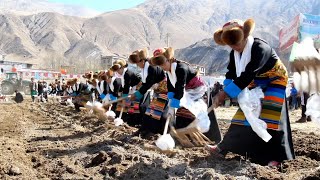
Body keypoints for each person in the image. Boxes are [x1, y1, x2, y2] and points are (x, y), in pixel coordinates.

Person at [208, 18, 295, 166]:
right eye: (231, 45)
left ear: (245, 35)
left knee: (271, 116)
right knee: (244, 114)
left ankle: (276, 158)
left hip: (275, 80)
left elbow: (248, 74)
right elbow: (231, 73)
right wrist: (224, 89)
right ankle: (223, 148)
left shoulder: (260, 48)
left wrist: (226, 93)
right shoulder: (234, 54)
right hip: (256, 81)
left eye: (236, 43)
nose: (235, 47)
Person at [151, 47, 210, 134]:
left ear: (169, 60)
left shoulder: (181, 68)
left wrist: (174, 103)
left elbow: (180, 87)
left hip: (196, 90)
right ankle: (181, 131)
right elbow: (171, 85)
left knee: (189, 112)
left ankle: (192, 132)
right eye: (160, 66)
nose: (162, 67)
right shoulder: (169, 70)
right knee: (181, 113)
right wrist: (171, 96)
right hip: (184, 90)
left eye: (163, 64)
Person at [128, 48, 167, 136]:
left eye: (137, 63)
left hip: (164, 90)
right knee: (150, 112)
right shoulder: (146, 67)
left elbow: (148, 83)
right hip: (158, 90)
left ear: (142, 61)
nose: (137, 65)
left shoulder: (151, 66)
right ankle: (144, 129)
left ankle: (152, 132)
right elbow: (146, 83)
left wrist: (138, 93)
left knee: (154, 113)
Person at [110, 59, 142, 126]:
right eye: (116, 70)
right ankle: (128, 121)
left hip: (139, 88)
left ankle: (135, 123)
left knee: (134, 106)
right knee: (128, 105)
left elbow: (126, 87)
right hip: (132, 89)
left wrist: (124, 98)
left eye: (118, 70)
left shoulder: (127, 74)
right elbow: (124, 86)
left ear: (122, 67)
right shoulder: (121, 75)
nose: (117, 72)